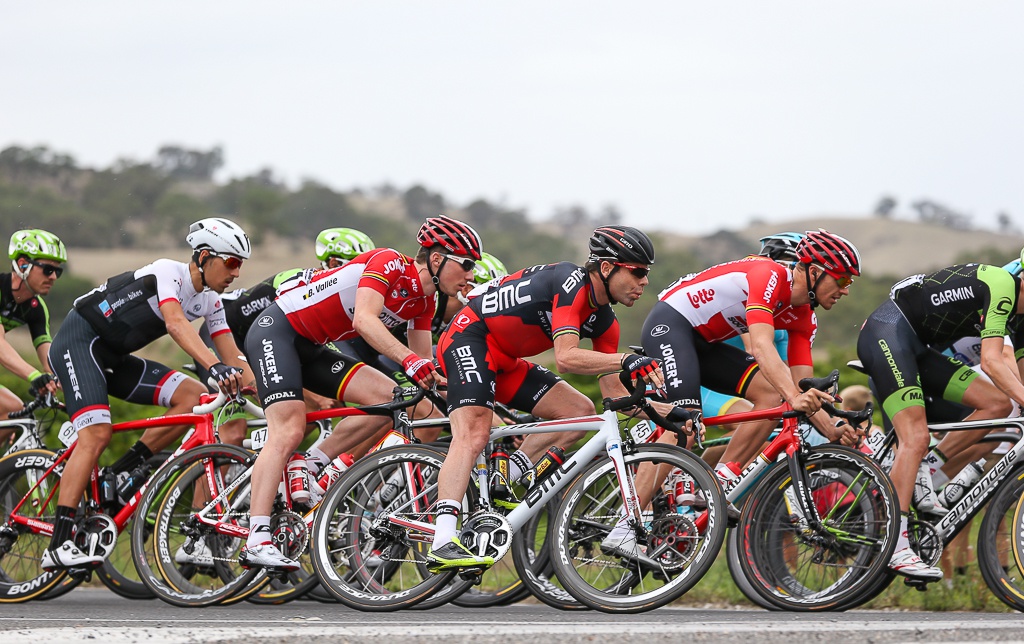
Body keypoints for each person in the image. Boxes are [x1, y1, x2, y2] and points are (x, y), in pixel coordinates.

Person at [240, 215, 482, 570]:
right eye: (466, 265)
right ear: (436, 259)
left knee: (393, 398)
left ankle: (312, 465)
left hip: (312, 346)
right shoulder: (389, 262)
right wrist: (412, 363)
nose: (471, 276)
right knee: (289, 428)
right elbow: (364, 321)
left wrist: (464, 390)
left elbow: (424, 370)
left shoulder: (423, 303)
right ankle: (257, 538)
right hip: (276, 331)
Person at [426, 225, 665, 571]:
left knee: (580, 412)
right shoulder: (571, 282)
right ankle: (443, 538)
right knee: (474, 433)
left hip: (506, 361)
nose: (644, 282)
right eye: (638, 271)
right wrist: (627, 359)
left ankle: (509, 471)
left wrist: (663, 412)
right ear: (609, 267)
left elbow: (614, 393)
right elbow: (566, 357)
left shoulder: (605, 322)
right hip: (469, 337)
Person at [41, 218, 253, 570]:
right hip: (79, 342)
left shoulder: (211, 302)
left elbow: (235, 360)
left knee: (193, 395)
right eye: (231, 262)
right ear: (203, 256)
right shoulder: (166, 273)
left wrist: (279, 393)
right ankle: (58, 543)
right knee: (96, 435)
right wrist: (214, 366)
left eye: (240, 264)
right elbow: (174, 322)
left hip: (113, 357)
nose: (236, 272)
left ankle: (121, 472)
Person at [857, 259, 1024, 581]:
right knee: (915, 437)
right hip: (888, 332)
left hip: (918, 349)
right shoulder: (1002, 284)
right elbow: (992, 361)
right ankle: (896, 543)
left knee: (997, 404)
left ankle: (929, 471)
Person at [0, 230, 65, 446]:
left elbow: (49, 358)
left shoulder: (37, 309)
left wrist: (68, 383)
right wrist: (34, 375)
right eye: (47, 269)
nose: (53, 277)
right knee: (13, 407)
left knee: (15, 411)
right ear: (22, 264)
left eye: (58, 271)